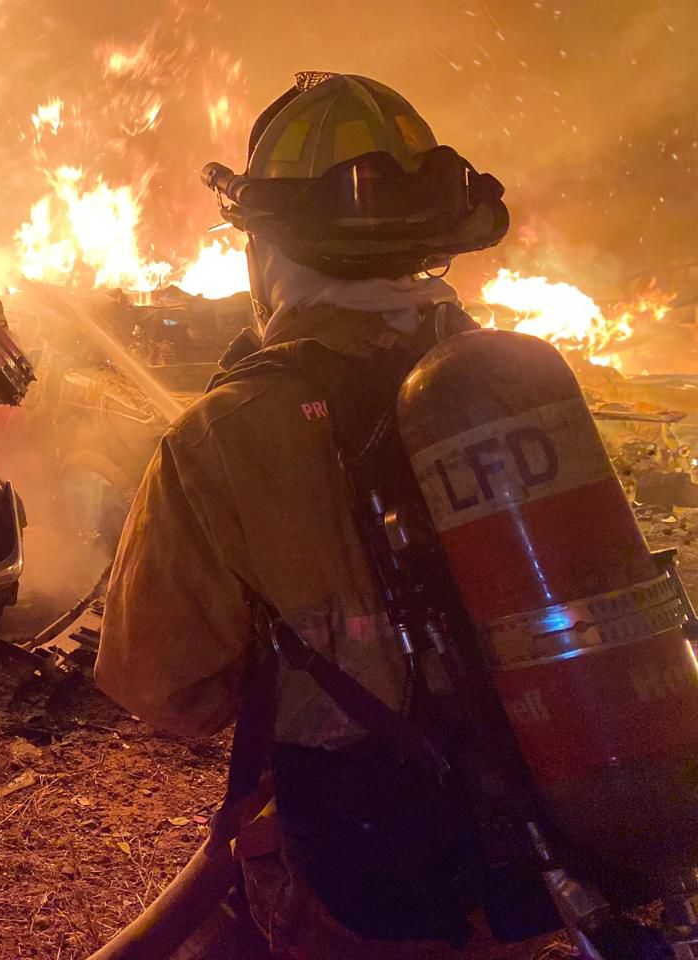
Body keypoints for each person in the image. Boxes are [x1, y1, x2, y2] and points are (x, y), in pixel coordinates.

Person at [93, 73, 557, 959]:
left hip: (365, 872)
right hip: (536, 850)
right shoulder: (513, 381)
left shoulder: (229, 431)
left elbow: (161, 684)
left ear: (270, 249)